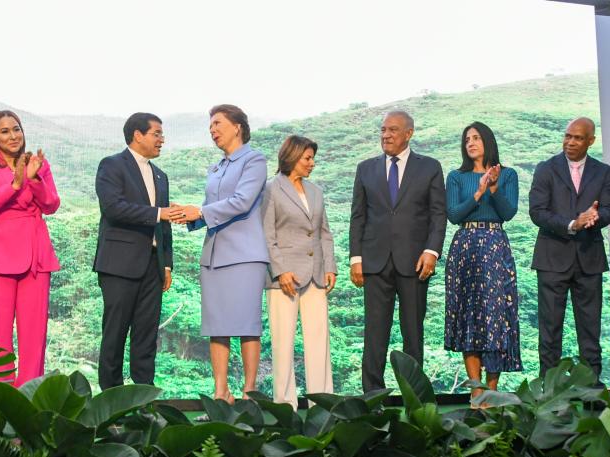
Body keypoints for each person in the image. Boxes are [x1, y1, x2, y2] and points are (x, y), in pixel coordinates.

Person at [349, 110, 446, 393]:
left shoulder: (429, 167)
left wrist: (432, 251)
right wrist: (356, 258)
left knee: (413, 334)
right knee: (374, 334)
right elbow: (358, 217)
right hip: (375, 263)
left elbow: (438, 214)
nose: (386, 135)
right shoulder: (365, 168)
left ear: (409, 133)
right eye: (383, 130)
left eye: (392, 130)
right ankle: (372, 398)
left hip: (415, 263)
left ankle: (415, 398)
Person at [177, 104, 269, 403]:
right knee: (218, 325)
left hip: (245, 254)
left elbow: (242, 202)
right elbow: (209, 208)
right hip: (214, 253)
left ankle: (249, 392)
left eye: (217, 124)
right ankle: (221, 392)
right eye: (210, 126)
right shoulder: (216, 168)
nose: (212, 130)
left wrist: (201, 210)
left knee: (245, 323)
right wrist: (189, 216)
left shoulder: (254, 160)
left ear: (237, 127)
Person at [0, 110, 60, 386]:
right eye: (5, 131)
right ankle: (2, 398)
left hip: (36, 255)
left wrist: (34, 178)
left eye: (17, 129)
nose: (13, 135)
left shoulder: (37, 163)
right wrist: (16, 183)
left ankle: (30, 400)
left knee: (34, 336)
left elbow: (51, 204)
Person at [93, 112, 177, 390]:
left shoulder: (161, 175)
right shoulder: (112, 165)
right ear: (137, 135)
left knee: (146, 336)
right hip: (118, 264)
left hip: (153, 267)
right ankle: (111, 400)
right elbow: (113, 208)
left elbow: (164, 225)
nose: (162, 140)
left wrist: (167, 264)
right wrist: (158, 213)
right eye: (157, 134)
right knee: (115, 334)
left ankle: (144, 400)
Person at [529, 117, 610, 380]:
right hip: (552, 259)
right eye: (568, 136)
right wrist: (571, 223)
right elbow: (537, 212)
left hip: (589, 260)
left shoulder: (603, 171)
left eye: (578, 138)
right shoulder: (546, 169)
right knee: (550, 329)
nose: (570, 142)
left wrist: (592, 219)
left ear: (591, 141)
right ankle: (549, 388)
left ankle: (591, 387)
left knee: (590, 329)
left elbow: (609, 210)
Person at [445, 122, 522, 402]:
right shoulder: (456, 176)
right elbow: (454, 214)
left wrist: (492, 188)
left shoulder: (508, 174)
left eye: (476, 138)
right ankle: (476, 389)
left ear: (488, 141)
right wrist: (477, 192)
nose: (471, 143)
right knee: (469, 315)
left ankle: (492, 389)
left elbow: (508, 212)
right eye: (467, 139)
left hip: (495, 245)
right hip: (465, 246)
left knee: (495, 315)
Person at [261, 135, 336, 410]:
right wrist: (281, 272)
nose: (312, 163)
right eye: (307, 158)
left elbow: (324, 233)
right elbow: (267, 235)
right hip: (285, 279)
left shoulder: (316, 191)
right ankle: (285, 405)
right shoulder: (270, 189)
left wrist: (330, 267)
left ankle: (324, 403)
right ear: (292, 157)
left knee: (319, 340)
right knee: (283, 342)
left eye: (312, 158)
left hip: (316, 274)